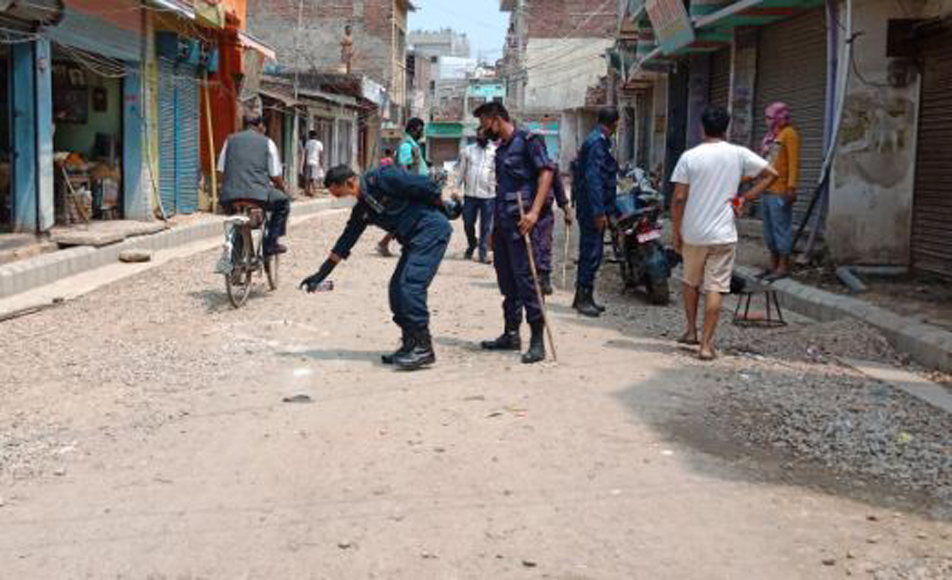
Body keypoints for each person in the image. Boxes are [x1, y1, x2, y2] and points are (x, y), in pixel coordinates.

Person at [300, 165, 455, 371]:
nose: (340, 199)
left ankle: (423, 348)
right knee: (397, 290)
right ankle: (410, 344)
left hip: (431, 231)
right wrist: (320, 274)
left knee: (410, 285)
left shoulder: (382, 178)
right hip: (413, 240)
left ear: (350, 182)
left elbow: (427, 186)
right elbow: (346, 242)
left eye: (340, 194)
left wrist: (443, 207)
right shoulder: (363, 209)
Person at [671, 105, 778, 361]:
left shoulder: (690, 157)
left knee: (690, 282)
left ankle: (690, 331)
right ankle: (707, 346)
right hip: (723, 233)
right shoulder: (738, 154)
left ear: (702, 127)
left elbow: (678, 198)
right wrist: (744, 198)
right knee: (716, 288)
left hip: (694, 233)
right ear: (726, 128)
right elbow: (771, 174)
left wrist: (676, 231)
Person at [474, 102, 555, 364]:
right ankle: (511, 334)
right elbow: (501, 190)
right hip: (505, 224)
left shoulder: (529, 140)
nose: (484, 130)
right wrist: (492, 230)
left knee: (528, 281)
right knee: (508, 281)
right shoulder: (502, 149)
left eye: (486, 123)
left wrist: (534, 212)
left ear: (497, 119)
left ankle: (537, 341)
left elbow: (546, 173)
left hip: (526, 224)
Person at [218, 113, 291, 255]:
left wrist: (226, 187)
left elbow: (221, 170)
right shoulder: (267, 142)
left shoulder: (230, 141)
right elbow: (275, 175)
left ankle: (234, 249)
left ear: (242, 125)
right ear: (260, 126)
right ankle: (271, 243)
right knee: (283, 203)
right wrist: (283, 189)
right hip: (258, 195)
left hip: (230, 196)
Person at [572, 106, 619, 318]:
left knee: (592, 250)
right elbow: (594, 179)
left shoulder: (596, 140)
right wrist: (599, 212)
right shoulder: (597, 143)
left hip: (591, 205)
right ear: (615, 123)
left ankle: (583, 296)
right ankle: (583, 298)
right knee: (591, 252)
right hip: (592, 208)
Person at [759, 102, 800, 281]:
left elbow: (793, 163)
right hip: (766, 189)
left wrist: (791, 187)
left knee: (781, 229)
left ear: (778, 118)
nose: (766, 121)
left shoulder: (789, 135)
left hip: (780, 190)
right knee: (768, 231)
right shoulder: (772, 136)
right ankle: (773, 265)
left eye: (769, 117)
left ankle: (783, 266)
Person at [378, 118, 430, 257]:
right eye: (420, 129)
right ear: (413, 129)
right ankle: (404, 245)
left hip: (416, 186)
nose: (422, 132)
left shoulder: (412, 144)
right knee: (410, 217)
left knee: (408, 218)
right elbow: (404, 168)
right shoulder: (406, 145)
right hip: (411, 188)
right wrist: (410, 187)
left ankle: (385, 242)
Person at [458, 129, 497, 263]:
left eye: (484, 134)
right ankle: (472, 243)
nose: (481, 136)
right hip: (470, 195)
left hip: (489, 195)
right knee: (468, 222)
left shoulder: (495, 151)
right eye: (479, 134)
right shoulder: (468, 150)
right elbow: (462, 171)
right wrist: (456, 188)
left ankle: (483, 254)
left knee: (486, 226)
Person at [532, 170, 573, 295]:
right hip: (528, 211)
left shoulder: (551, 168)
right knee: (531, 245)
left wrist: (567, 211)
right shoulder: (525, 163)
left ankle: (544, 277)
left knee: (545, 244)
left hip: (545, 214)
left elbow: (559, 191)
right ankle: (531, 277)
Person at [303, 130, 324, 196]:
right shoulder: (319, 143)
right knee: (314, 177)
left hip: (308, 161)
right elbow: (320, 154)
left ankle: (307, 191)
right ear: (316, 136)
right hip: (315, 162)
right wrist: (321, 163)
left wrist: (304, 163)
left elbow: (306, 154)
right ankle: (313, 192)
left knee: (308, 178)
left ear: (310, 135)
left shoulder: (307, 143)